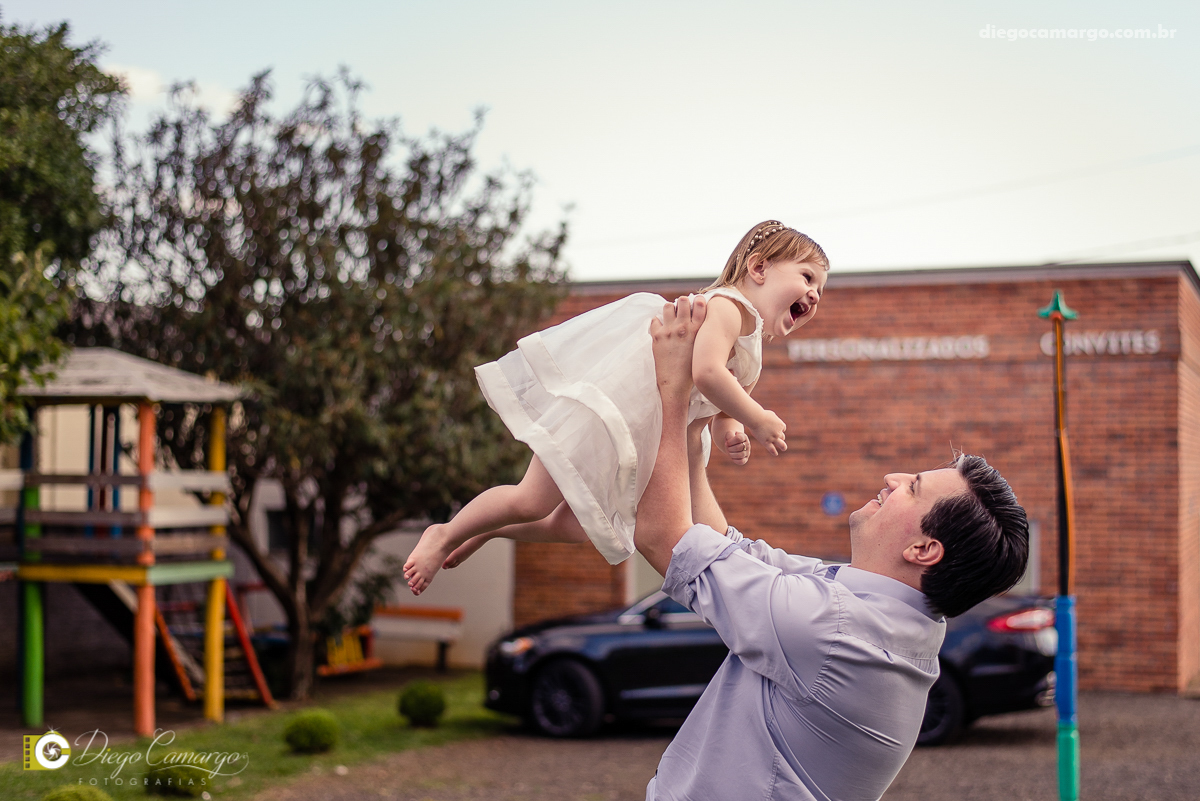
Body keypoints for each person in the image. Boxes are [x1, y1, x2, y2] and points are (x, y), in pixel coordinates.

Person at [636, 296, 1029, 801]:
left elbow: (664, 539)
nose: (891, 479)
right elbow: (728, 550)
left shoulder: (835, 631)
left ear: (925, 549)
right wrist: (694, 437)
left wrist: (671, 389)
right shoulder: (878, 616)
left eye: (912, 487)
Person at [403, 220, 829, 594]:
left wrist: (732, 431)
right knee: (532, 499)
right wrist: (757, 418)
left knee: (574, 527)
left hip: (645, 436)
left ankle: (486, 529)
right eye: (807, 277)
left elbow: (720, 410)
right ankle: (444, 533)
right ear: (758, 268)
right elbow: (706, 373)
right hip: (615, 416)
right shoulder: (727, 307)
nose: (813, 294)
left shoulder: (753, 347)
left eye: (820, 291)